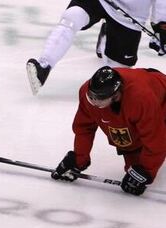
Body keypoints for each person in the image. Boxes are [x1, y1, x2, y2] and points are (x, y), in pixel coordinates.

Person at [51, 66, 166, 195]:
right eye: (91, 96)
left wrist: (146, 171)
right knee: (131, 163)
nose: (93, 101)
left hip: (162, 97)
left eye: (98, 98)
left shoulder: (141, 98)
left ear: (115, 96)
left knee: (144, 161)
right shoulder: (86, 93)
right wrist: (78, 159)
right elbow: (84, 127)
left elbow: (155, 139)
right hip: (139, 98)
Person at [26, 0, 166, 95]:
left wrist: (162, 27)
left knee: (117, 78)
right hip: (99, 2)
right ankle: (44, 66)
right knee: (72, 17)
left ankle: (107, 34)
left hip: (129, 17)